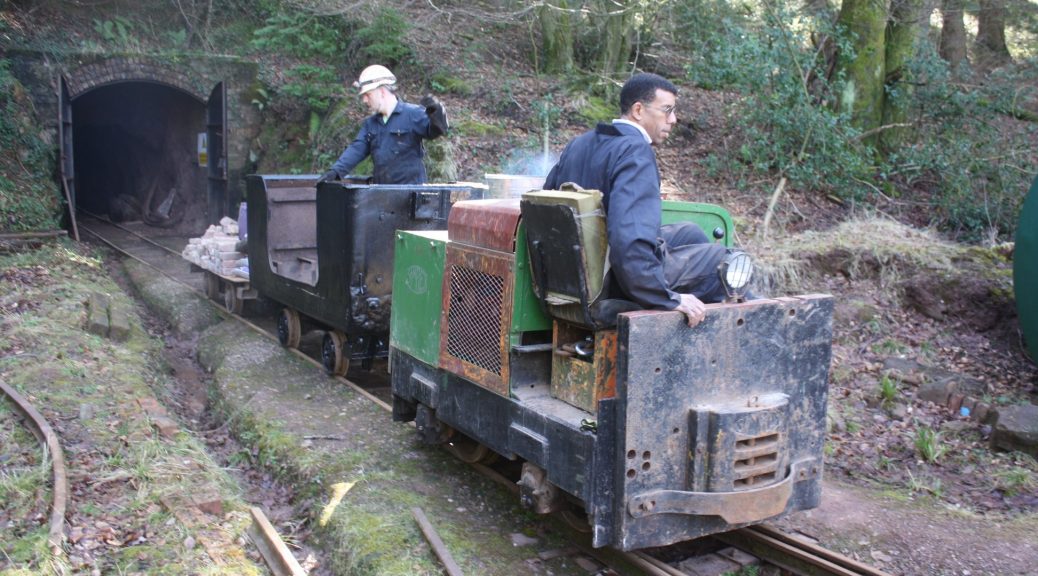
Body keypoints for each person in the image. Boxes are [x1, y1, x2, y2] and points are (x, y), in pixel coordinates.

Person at [543, 72, 747, 327]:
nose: (673, 119)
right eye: (667, 110)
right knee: (725, 262)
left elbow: (547, 200)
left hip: (576, 271)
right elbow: (629, 242)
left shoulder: (579, 143)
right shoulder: (634, 151)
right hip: (611, 280)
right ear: (638, 110)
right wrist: (667, 298)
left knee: (690, 233)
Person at [319, 65, 448, 185]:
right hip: (382, 196)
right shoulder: (371, 124)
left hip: (411, 196)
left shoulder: (412, 114)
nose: (364, 100)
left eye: (367, 95)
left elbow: (435, 130)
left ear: (381, 92)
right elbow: (356, 149)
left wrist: (436, 112)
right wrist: (335, 172)